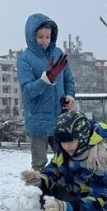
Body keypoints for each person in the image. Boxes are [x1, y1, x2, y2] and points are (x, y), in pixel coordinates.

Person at [21, 111, 107, 211]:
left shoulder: (99, 158)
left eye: (70, 140)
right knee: (40, 195)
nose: (66, 146)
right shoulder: (64, 152)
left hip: (101, 208)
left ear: (82, 137)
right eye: (63, 141)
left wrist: (67, 208)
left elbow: (97, 199)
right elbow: (51, 173)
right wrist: (38, 180)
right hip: (75, 198)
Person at [17, 13, 76, 171]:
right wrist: (46, 80)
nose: (44, 41)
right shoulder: (25, 59)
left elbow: (68, 79)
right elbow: (28, 91)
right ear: (31, 36)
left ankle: (61, 193)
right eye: (40, 37)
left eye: (48, 36)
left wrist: (69, 97)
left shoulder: (57, 54)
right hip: (38, 120)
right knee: (39, 164)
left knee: (66, 161)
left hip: (59, 119)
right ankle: (36, 194)